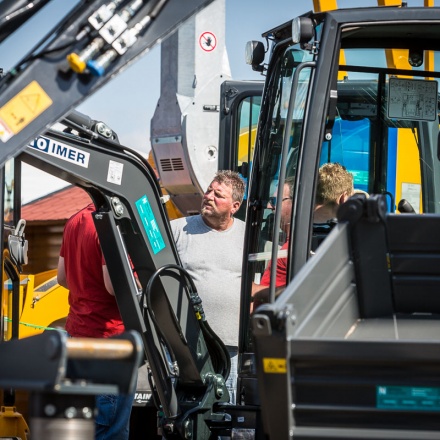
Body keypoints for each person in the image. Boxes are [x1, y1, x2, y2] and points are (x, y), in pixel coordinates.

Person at [57, 203, 134, 440]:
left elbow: (62, 278)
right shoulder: (111, 223)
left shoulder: (75, 219)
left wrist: (88, 290)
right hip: (108, 339)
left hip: (76, 335)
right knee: (108, 429)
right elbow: (114, 286)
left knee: (80, 428)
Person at [170, 170, 246, 404]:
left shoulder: (249, 235)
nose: (209, 196)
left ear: (234, 206)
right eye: (208, 190)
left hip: (229, 347)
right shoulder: (177, 229)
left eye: (218, 194)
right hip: (185, 343)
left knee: (223, 413)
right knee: (180, 412)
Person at [252, 163, 354, 306]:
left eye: (276, 201)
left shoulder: (298, 244)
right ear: (343, 198)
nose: (270, 206)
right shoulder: (344, 242)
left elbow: (301, 293)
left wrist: (252, 290)